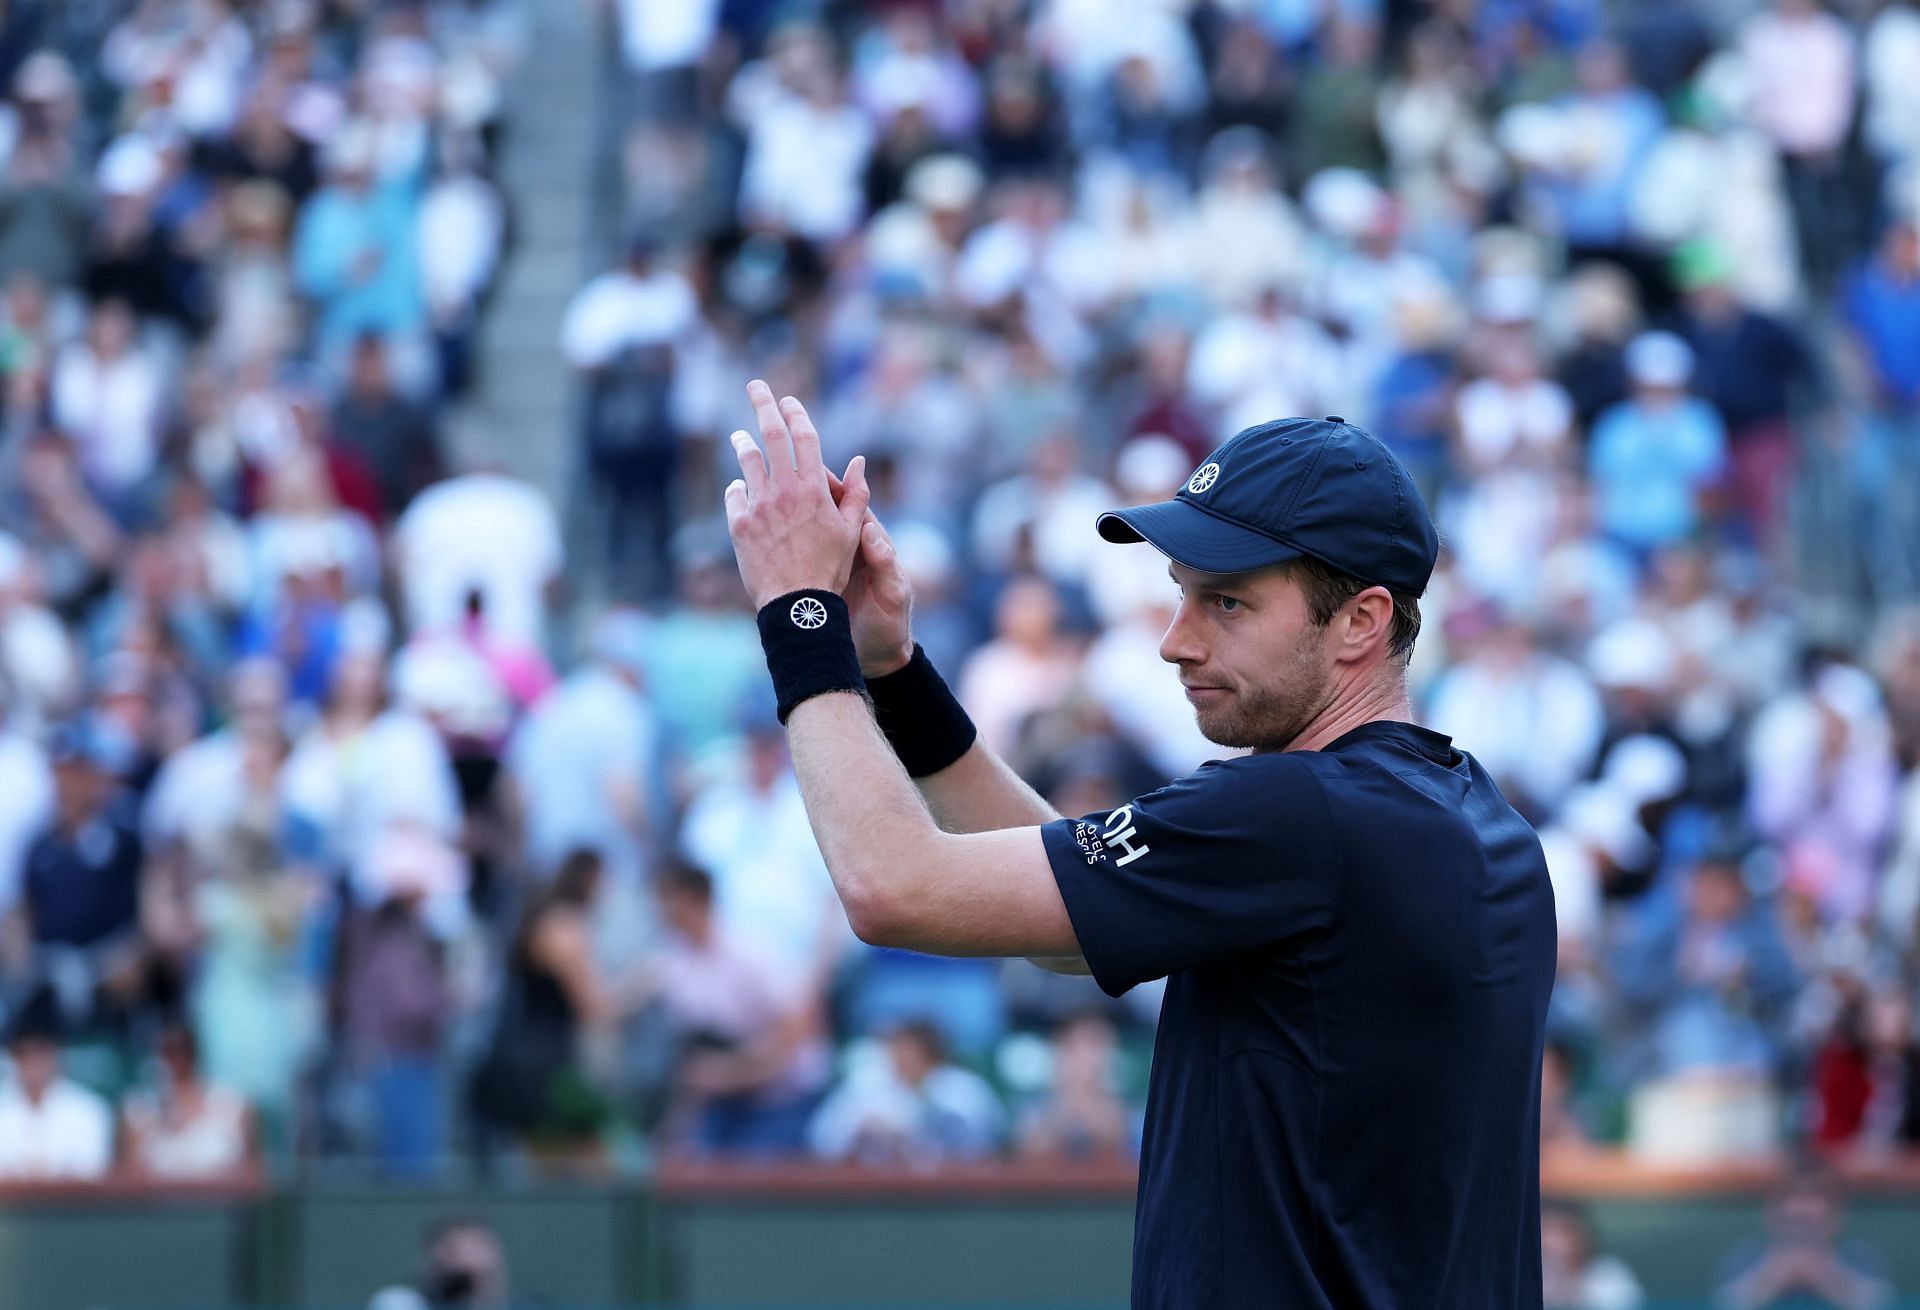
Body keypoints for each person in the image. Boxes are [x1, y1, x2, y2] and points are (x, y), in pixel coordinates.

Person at [719, 382, 1556, 1308]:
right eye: (1183, 595)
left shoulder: (1300, 813)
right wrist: (892, 674)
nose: (1174, 641)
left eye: (1228, 604)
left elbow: (891, 885)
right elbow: (1067, 920)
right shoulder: (1484, 822)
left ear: (1363, 620)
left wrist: (800, 615)